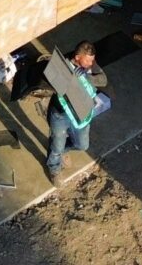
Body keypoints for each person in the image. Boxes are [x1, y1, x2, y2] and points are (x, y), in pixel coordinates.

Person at [46, 41, 108, 184]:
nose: (91, 63)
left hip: (81, 114)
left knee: (82, 145)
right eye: (88, 60)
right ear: (78, 57)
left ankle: (61, 150)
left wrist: (87, 76)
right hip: (61, 114)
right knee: (57, 145)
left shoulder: (90, 67)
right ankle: (54, 169)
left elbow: (103, 80)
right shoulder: (63, 67)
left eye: (92, 60)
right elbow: (52, 82)